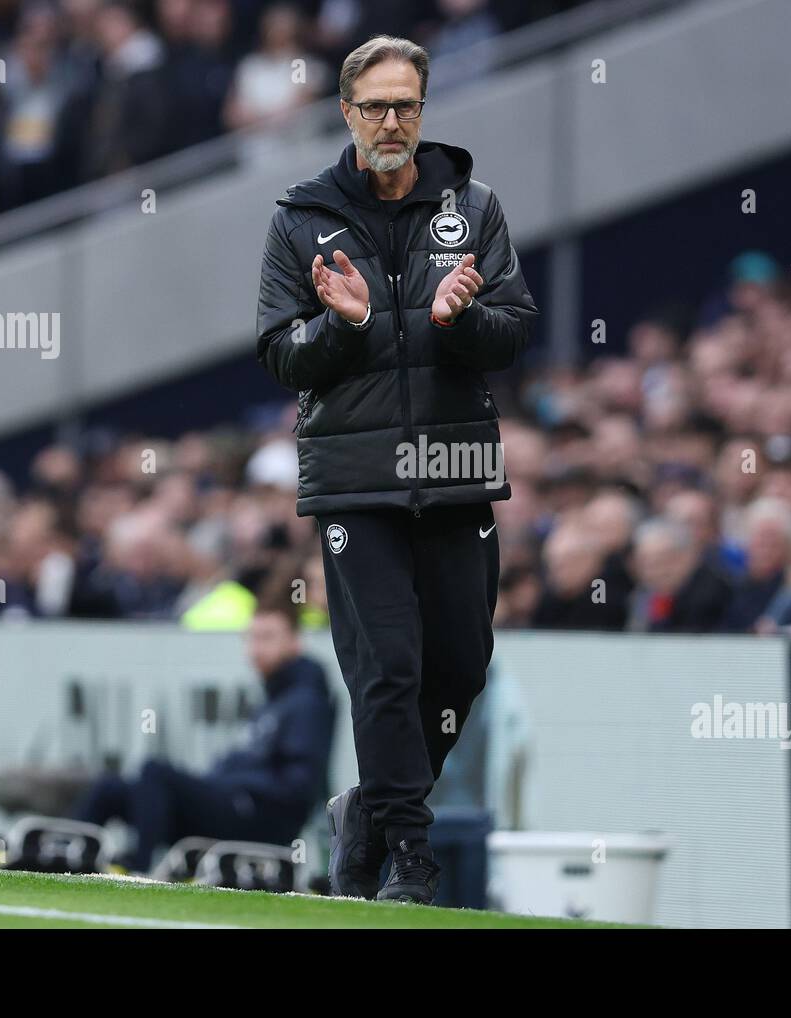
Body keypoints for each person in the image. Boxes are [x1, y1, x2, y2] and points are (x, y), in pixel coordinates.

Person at [256, 35, 538, 903]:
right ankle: (410, 858)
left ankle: (368, 812)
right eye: (374, 105)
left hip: (455, 471)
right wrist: (340, 326)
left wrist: (461, 319)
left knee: (460, 667)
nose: (390, 121)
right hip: (357, 480)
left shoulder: (474, 205)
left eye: (405, 105)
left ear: (423, 110)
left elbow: (516, 328)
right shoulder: (299, 217)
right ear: (345, 112)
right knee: (389, 670)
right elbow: (278, 353)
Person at [72, 602, 334, 872]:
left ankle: (138, 868)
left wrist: (233, 783)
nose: (256, 648)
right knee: (109, 788)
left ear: (295, 642)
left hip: (259, 818)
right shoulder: (274, 698)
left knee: (155, 772)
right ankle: (67, 859)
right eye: (251, 638)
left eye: (267, 637)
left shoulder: (307, 702)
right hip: (233, 804)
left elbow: (298, 787)